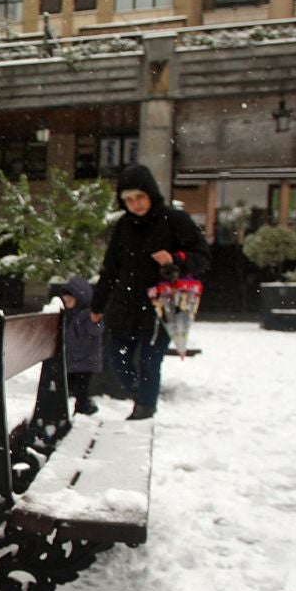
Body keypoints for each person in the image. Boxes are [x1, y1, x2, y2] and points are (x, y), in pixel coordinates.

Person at [91, 164, 209, 421]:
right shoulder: (123, 226)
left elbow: (202, 256)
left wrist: (176, 260)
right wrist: (98, 305)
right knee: (117, 359)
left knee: (150, 360)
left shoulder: (175, 220)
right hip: (125, 306)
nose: (135, 204)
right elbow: (110, 268)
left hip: (162, 306)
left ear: (151, 194)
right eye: (129, 199)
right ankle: (142, 393)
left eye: (140, 197)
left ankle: (144, 409)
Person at [59, 276, 103, 416]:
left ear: (80, 298)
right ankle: (82, 407)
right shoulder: (68, 315)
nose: (67, 304)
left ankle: (84, 408)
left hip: (86, 360)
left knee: (80, 388)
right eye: (65, 301)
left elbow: (97, 330)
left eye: (70, 301)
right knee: (70, 386)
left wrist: (94, 321)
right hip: (72, 359)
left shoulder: (88, 315)